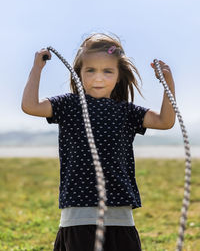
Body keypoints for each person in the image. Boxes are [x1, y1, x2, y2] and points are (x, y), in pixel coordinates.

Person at [21, 32, 176, 251]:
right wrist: (37, 67)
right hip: (78, 214)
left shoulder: (126, 111)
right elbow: (31, 106)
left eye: (107, 71)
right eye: (90, 70)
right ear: (79, 74)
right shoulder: (69, 105)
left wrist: (167, 84)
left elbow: (164, 121)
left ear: (119, 76)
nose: (98, 78)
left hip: (119, 215)